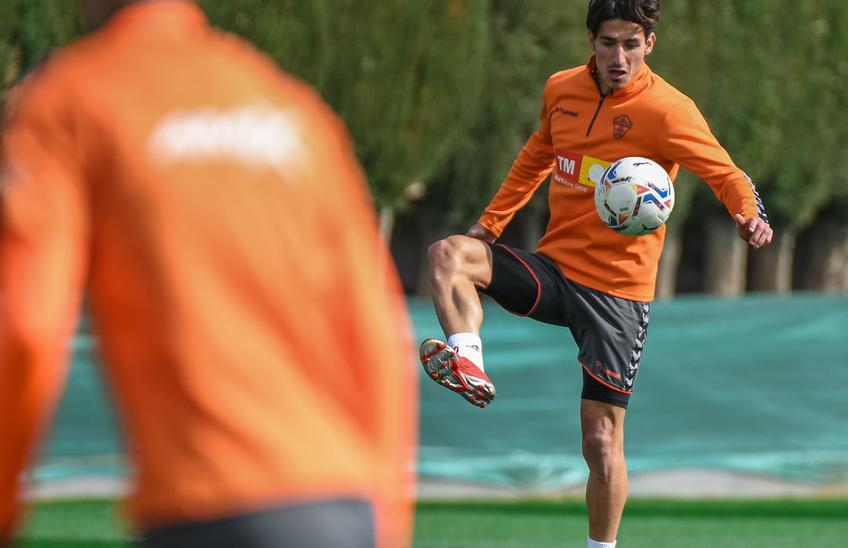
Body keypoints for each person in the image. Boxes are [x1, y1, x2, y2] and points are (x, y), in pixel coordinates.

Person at [0, 2, 417, 547]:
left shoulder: (70, 96)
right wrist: (384, 523)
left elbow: (23, 329)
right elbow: (374, 333)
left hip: (213, 509)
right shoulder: (289, 107)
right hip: (342, 504)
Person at [419, 0, 773, 546]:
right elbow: (536, 156)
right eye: (609, 42)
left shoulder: (669, 110)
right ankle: (468, 360)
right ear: (591, 40)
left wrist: (748, 213)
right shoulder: (562, 89)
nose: (619, 56)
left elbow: (723, 171)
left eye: (632, 44)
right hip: (556, 270)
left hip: (618, 296)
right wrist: (486, 228)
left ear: (649, 44)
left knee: (601, 443)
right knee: (449, 254)